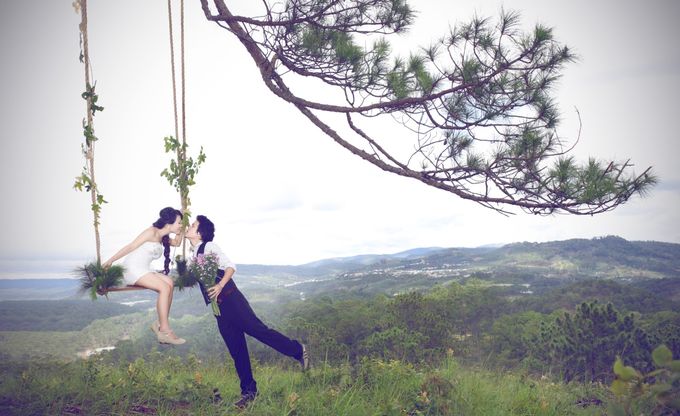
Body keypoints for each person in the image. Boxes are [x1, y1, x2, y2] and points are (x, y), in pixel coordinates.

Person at [185, 214, 309, 409]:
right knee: (237, 349)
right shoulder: (193, 254)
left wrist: (219, 286)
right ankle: (249, 392)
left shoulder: (209, 247)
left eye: (193, 225)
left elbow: (230, 267)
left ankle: (298, 350)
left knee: (259, 331)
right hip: (219, 309)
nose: (189, 226)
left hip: (232, 300)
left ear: (200, 233)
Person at [103, 207, 186, 345]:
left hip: (144, 269)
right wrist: (110, 260)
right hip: (133, 268)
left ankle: (159, 323)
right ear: (169, 223)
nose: (181, 225)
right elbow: (131, 246)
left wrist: (184, 221)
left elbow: (177, 242)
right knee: (164, 288)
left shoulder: (163, 236)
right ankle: (165, 331)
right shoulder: (151, 232)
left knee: (169, 283)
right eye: (179, 222)